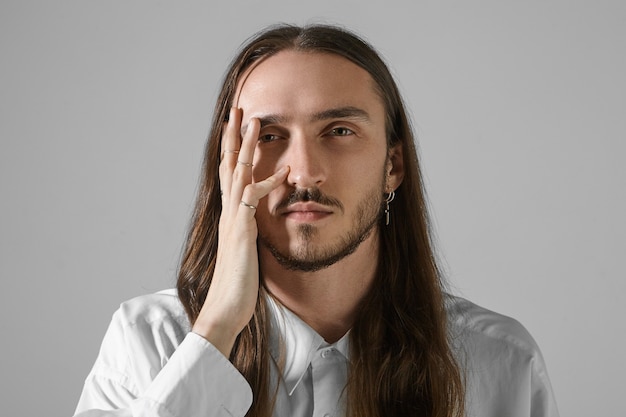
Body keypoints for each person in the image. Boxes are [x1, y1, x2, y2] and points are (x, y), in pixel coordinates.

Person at [74, 24, 560, 417]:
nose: (304, 172)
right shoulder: (148, 343)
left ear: (393, 166)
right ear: (228, 164)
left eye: (339, 131)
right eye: (267, 136)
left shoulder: (501, 362)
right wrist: (217, 328)